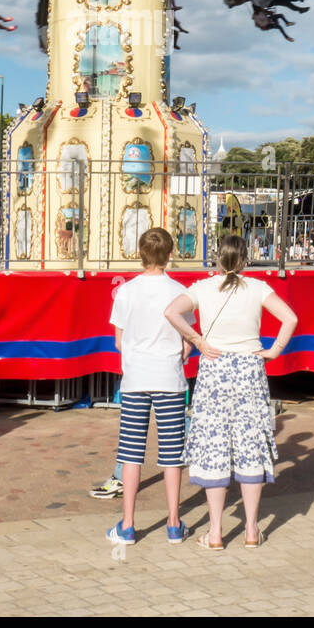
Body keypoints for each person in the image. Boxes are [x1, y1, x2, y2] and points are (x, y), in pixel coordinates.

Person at [165, 234, 298, 550]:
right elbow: (290, 318)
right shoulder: (257, 288)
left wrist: (196, 341)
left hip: (215, 368)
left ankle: (215, 533)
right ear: (244, 260)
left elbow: (171, 312)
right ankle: (252, 530)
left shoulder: (202, 288)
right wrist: (274, 350)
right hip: (250, 370)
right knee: (251, 445)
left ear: (217, 259)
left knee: (215, 446)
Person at [104, 228, 191, 547]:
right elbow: (187, 341)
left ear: (139, 254)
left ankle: (127, 525)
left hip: (137, 377)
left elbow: (118, 340)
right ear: (170, 255)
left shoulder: (126, 291)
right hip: (168, 377)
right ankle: (173, 522)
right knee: (171, 453)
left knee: (130, 451)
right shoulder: (180, 290)